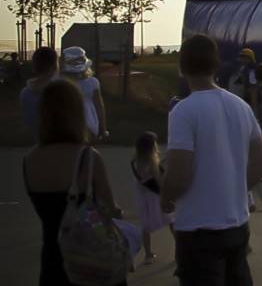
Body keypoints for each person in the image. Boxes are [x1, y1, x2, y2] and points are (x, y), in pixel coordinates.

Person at [160, 34, 262, 285]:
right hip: (237, 224)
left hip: (198, 229)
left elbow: (178, 172)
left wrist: (166, 196)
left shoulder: (183, 111)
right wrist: (234, 189)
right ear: (216, 64)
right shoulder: (240, 106)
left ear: (182, 66)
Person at [23, 80, 126, 286]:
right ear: (77, 114)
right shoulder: (88, 157)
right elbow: (110, 209)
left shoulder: (29, 160)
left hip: (53, 259)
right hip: (88, 260)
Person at [131, 131, 175, 264]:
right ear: (151, 148)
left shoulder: (135, 163)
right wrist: (168, 195)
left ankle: (148, 254)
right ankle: (179, 253)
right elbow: (160, 183)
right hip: (156, 198)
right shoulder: (152, 164)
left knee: (146, 226)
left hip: (144, 199)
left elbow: (142, 180)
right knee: (172, 222)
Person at [61, 46, 107, 142]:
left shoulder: (60, 82)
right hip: (89, 120)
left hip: (66, 121)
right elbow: (99, 106)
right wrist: (102, 127)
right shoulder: (92, 82)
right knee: (88, 152)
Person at [20, 46, 59, 140]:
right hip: (57, 140)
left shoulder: (25, 92)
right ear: (55, 65)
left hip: (36, 139)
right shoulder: (60, 90)